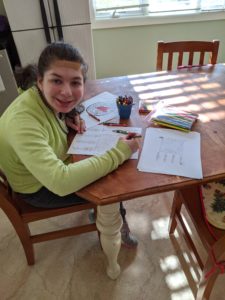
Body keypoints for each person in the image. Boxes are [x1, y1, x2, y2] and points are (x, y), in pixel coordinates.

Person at [0, 42, 140, 248]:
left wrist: (67, 115)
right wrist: (119, 153)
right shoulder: (22, 122)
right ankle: (114, 223)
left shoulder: (41, 98)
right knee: (112, 188)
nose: (67, 92)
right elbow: (61, 182)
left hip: (48, 166)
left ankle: (101, 212)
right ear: (40, 81)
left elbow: (52, 115)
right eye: (57, 80)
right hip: (37, 188)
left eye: (75, 83)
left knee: (103, 169)